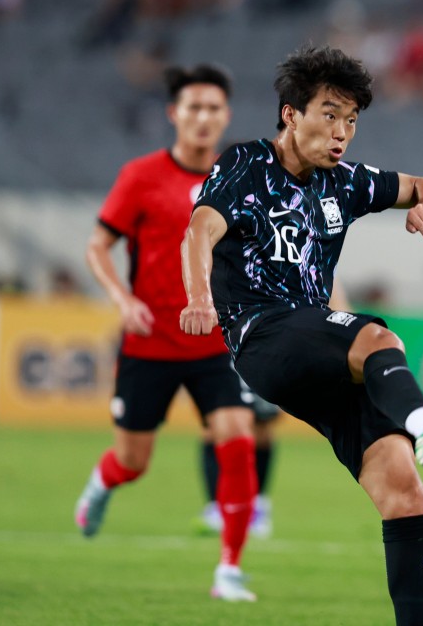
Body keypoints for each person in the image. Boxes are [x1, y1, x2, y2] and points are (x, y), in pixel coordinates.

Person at [179, 44, 423, 626]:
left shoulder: (345, 182)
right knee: (378, 338)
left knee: (404, 492)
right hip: (262, 333)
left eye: (352, 120)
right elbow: (200, 229)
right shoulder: (246, 164)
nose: (342, 133)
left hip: (314, 352)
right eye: (329, 114)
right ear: (291, 114)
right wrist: (200, 297)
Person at [74, 64, 261, 602]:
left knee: (238, 438)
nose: (203, 117)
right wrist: (123, 299)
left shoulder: (239, 178)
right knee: (133, 462)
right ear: (174, 114)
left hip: (216, 343)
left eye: (213, 108)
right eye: (193, 107)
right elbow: (97, 246)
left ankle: (229, 570)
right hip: (150, 343)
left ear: (226, 116)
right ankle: (102, 483)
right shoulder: (140, 176)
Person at [196, 283, 352, 538]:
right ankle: (217, 506)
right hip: (228, 339)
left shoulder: (307, 261)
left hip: (270, 340)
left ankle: (257, 505)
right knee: (215, 425)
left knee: (262, 428)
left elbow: (333, 292)